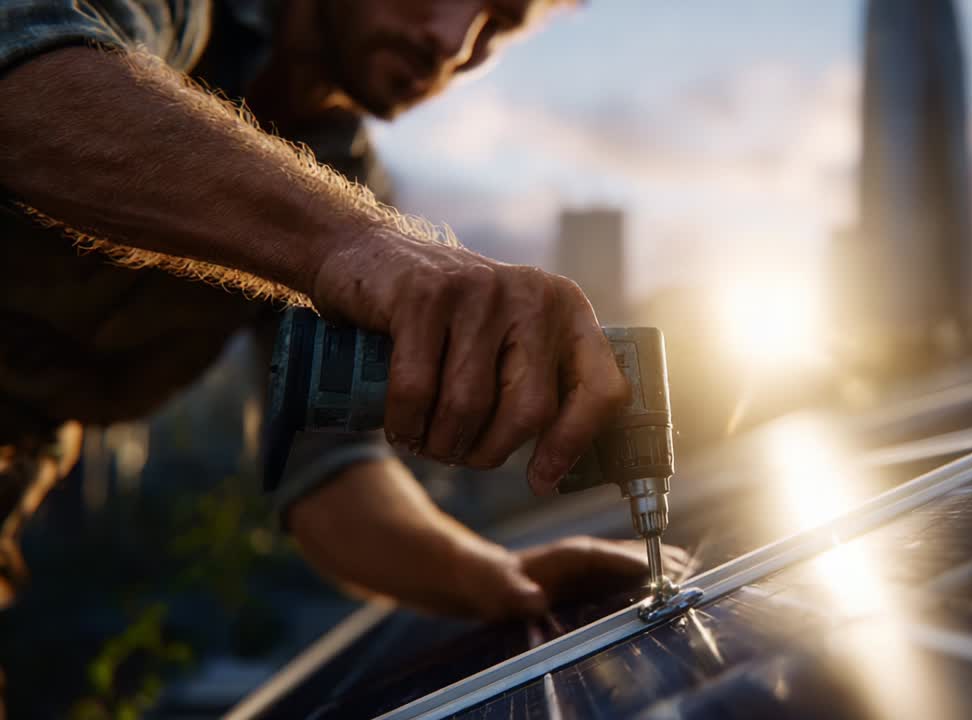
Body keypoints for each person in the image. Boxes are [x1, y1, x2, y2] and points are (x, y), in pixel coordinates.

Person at [0, 0, 688, 668]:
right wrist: (354, 244)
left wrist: (494, 578)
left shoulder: (344, 186)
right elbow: (22, 66)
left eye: (498, 26)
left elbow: (329, 478)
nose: (453, 43)